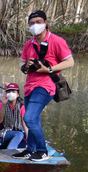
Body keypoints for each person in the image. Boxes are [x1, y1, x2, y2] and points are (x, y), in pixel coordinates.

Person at [14, 9, 74, 161]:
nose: (35, 25)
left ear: (46, 23)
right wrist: (26, 66)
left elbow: (70, 61)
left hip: (46, 85)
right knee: (34, 119)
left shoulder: (56, 40)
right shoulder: (29, 44)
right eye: (32, 23)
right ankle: (30, 149)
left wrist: (48, 69)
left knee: (29, 118)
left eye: (38, 22)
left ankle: (42, 151)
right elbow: (22, 63)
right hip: (29, 87)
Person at [0, 83, 28, 149]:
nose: (11, 93)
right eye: (9, 92)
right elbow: (0, 120)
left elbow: (24, 125)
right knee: (19, 134)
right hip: (3, 133)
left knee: (23, 137)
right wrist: (4, 105)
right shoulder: (1, 105)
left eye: (13, 92)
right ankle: (9, 152)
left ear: (18, 94)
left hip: (17, 131)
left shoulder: (21, 107)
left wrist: (28, 139)